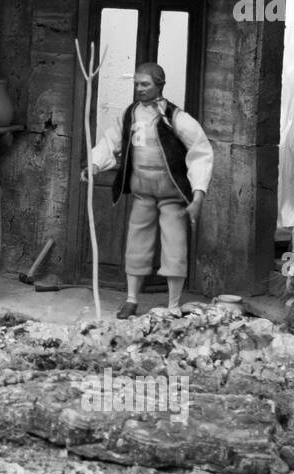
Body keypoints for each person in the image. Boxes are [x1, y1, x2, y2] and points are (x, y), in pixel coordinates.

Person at [81, 62, 212, 318]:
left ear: (159, 85)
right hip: (142, 193)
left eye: (145, 84)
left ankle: (173, 304)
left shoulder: (175, 117)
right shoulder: (129, 115)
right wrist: (93, 164)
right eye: (136, 84)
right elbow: (110, 141)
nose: (139, 89)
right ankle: (131, 299)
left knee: (174, 244)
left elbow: (201, 152)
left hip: (172, 195)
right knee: (136, 243)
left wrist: (198, 195)